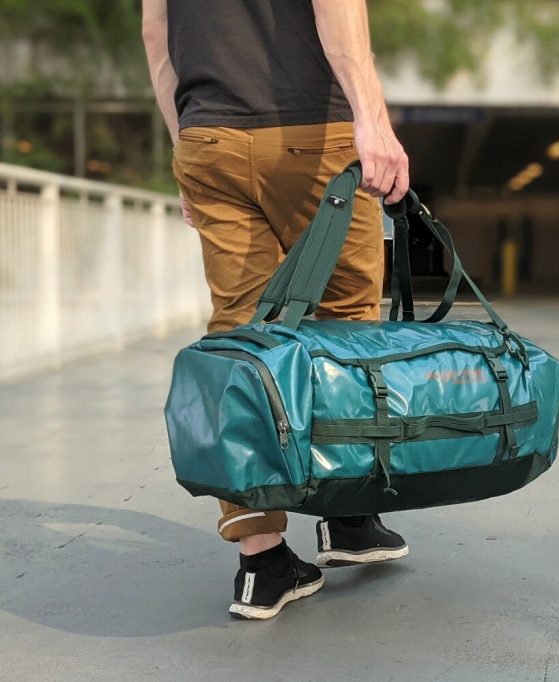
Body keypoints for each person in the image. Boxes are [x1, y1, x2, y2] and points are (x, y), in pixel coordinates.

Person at [142, 0, 411, 620]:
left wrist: (187, 144)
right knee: (345, 326)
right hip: (310, 133)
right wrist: (372, 121)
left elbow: (158, 36)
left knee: (240, 341)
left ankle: (261, 563)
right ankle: (348, 519)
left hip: (208, 135)